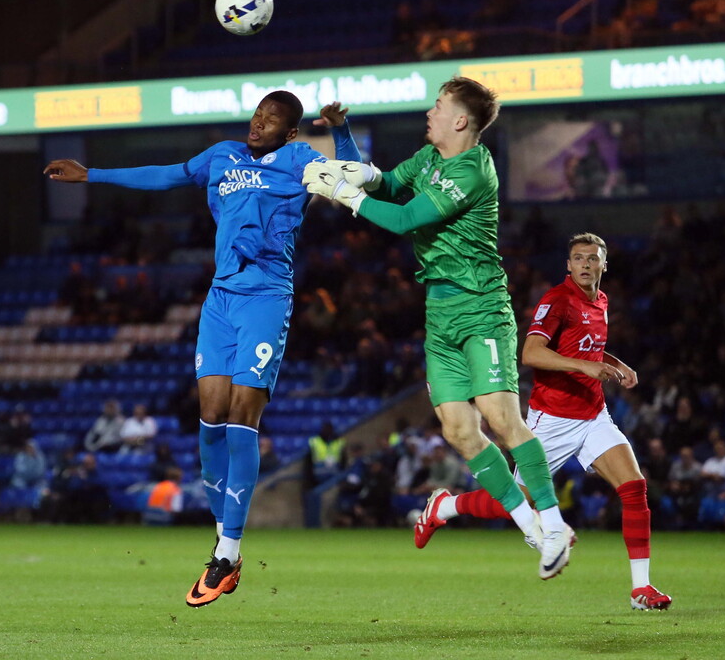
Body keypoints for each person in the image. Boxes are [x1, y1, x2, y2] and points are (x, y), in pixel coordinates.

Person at [45, 91, 360, 608]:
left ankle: (227, 550)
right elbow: (165, 174)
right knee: (210, 415)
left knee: (242, 415)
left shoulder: (301, 160)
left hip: (265, 297)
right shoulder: (222, 156)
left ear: (291, 132)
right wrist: (91, 174)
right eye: (258, 115)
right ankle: (225, 542)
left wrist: (342, 132)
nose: (259, 124)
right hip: (221, 298)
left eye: (272, 120)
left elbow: (354, 178)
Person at [302, 76, 572, 580]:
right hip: (440, 310)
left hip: (481, 305)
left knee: (499, 416)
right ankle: (532, 529)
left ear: (461, 121)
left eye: (438, 106)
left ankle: (554, 526)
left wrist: (341, 193)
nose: (429, 113)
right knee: (457, 429)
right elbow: (379, 181)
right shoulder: (427, 159)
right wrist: (343, 136)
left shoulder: (473, 169)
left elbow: (404, 219)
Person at [408, 233, 672, 610]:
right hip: (552, 420)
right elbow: (531, 353)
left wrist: (615, 364)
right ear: (568, 265)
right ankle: (445, 507)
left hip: (593, 415)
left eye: (592, 259)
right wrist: (586, 366)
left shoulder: (601, 302)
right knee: (514, 502)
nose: (584, 264)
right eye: (578, 258)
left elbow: (587, 347)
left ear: (604, 265)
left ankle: (641, 590)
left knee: (634, 488)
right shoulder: (557, 300)